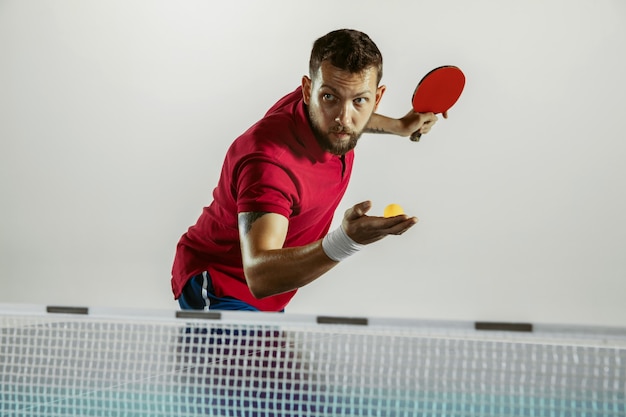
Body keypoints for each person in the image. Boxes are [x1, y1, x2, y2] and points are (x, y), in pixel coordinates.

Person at [171, 29, 443, 312]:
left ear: (376, 98)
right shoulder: (270, 164)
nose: (343, 118)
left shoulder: (327, 114)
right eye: (329, 98)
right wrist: (346, 241)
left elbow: (346, 112)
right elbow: (259, 276)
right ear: (307, 90)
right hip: (220, 287)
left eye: (359, 100)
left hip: (272, 293)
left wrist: (400, 126)